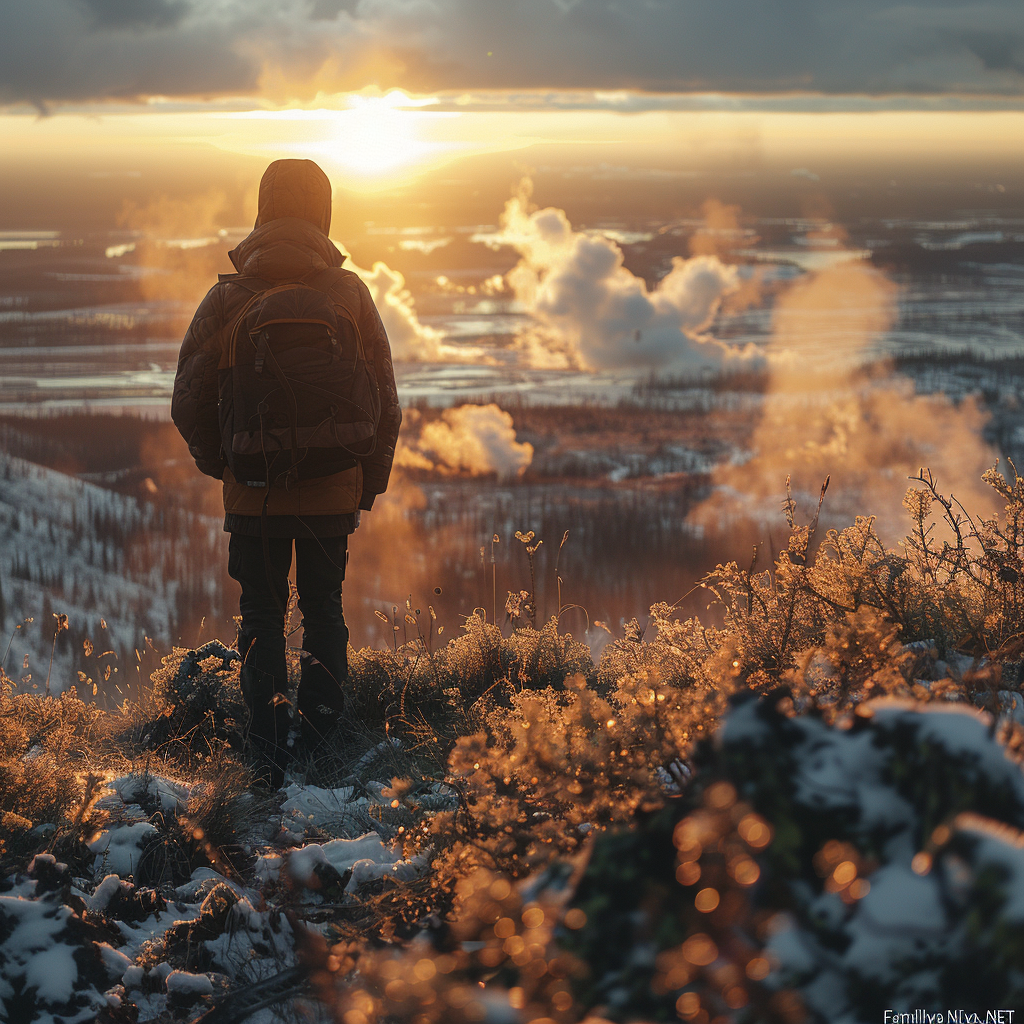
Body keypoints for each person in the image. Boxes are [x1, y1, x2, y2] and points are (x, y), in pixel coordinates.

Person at [171, 158, 401, 781]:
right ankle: (323, 740)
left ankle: (267, 747)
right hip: (333, 492)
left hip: (255, 496)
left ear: (263, 210)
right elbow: (385, 398)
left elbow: (187, 399)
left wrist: (228, 467)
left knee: (262, 612)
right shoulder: (349, 294)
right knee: (325, 610)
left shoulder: (228, 297)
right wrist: (364, 483)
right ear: (324, 212)